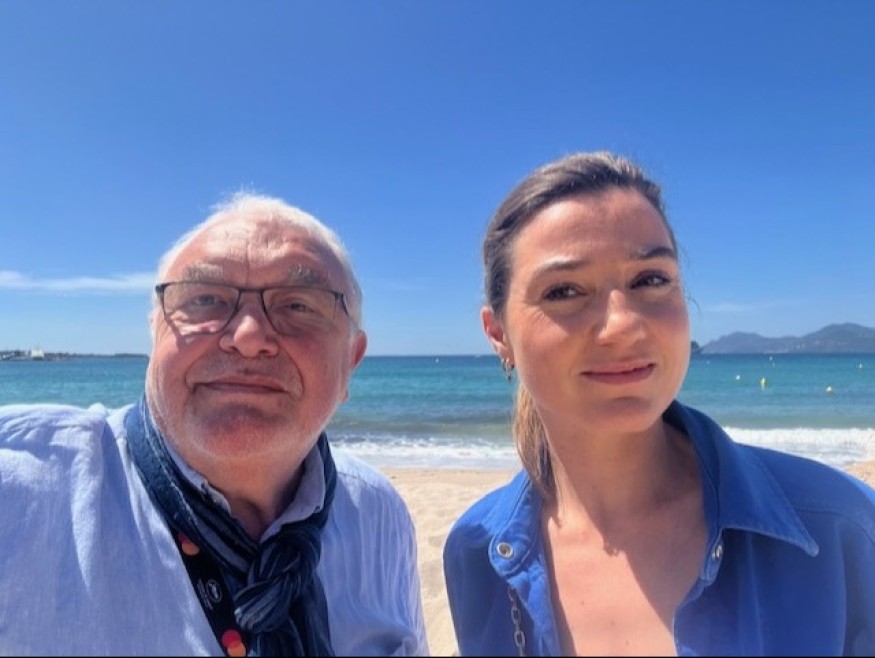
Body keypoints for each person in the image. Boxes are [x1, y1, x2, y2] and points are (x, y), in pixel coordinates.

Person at [443, 151, 875, 656]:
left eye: (650, 279)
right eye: (563, 291)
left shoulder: (840, 531)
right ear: (498, 334)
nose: (623, 325)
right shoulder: (477, 555)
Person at [0, 193, 428, 656]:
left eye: (298, 306)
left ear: (351, 361)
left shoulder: (379, 515)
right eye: (205, 300)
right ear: (155, 336)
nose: (248, 337)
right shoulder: (20, 492)